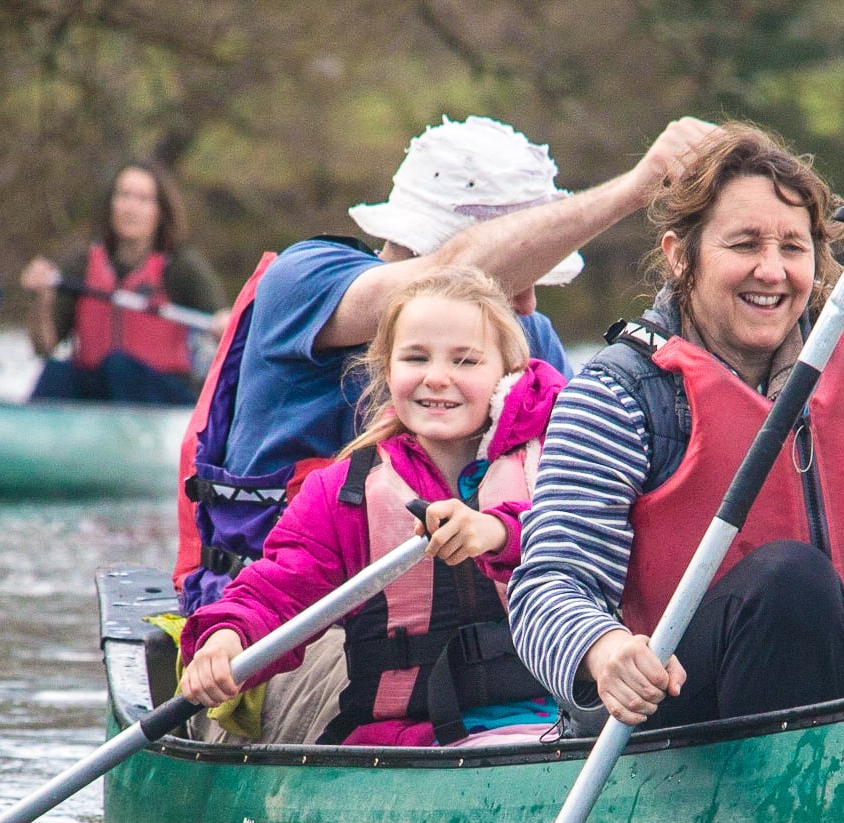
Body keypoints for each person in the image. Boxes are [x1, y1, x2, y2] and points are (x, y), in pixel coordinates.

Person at [508, 123, 844, 730]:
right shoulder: (619, 394)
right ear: (680, 255)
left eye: (793, 248)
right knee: (790, 581)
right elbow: (548, 587)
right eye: (744, 244)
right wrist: (607, 651)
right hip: (693, 708)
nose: (772, 271)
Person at [178, 114, 714, 615]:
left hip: (468, 629)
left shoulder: (529, 338)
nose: (527, 306)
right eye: (517, 276)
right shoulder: (304, 282)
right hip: (283, 617)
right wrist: (633, 189)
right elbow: (456, 270)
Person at [177, 267, 564, 747]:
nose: (437, 377)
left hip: (562, 724)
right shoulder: (342, 493)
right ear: (386, 371)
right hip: (405, 740)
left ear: (507, 373)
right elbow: (276, 592)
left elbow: (593, 546)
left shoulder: (561, 459)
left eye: (465, 361)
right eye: (415, 358)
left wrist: (498, 532)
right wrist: (227, 637)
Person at [20, 162, 227, 405]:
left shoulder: (181, 265)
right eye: (123, 196)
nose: (131, 208)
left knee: (118, 365)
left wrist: (223, 325)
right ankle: (31, 429)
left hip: (163, 393)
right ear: (111, 204)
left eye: (143, 199)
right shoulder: (82, 263)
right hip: (100, 387)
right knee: (57, 372)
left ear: (160, 212)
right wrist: (43, 300)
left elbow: (223, 320)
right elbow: (43, 347)